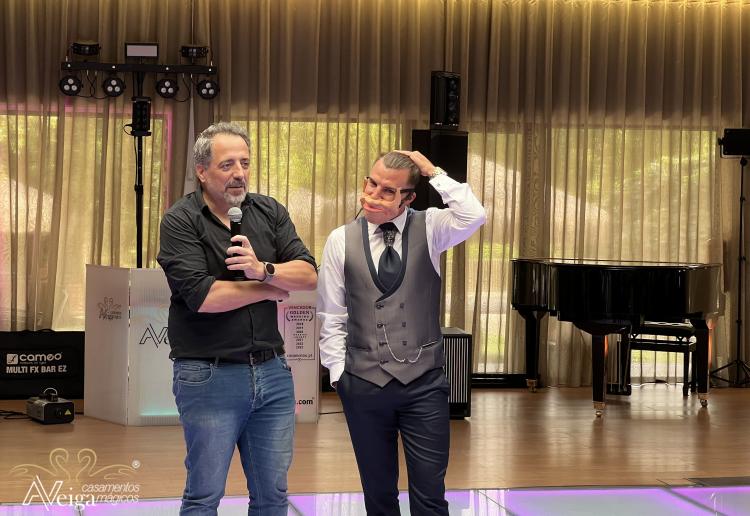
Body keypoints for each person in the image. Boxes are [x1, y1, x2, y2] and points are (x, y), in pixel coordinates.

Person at [157, 122, 317, 515]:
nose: (239, 173)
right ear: (202, 171)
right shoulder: (180, 220)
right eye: (227, 164)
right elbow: (204, 297)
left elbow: (308, 275)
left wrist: (263, 269)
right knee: (204, 495)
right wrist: (270, 286)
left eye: (244, 163)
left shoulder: (269, 210)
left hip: (273, 373)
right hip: (209, 375)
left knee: (273, 496)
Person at [317, 150, 486, 515]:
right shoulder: (340, 240)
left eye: (388, 191)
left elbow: (474, 215)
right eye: (371, 184)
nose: (373, 195)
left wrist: (432, 171)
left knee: (430, 497)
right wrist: (339, 376)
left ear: (408, 198)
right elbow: (331, 315)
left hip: (424, 385)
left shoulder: (432, 227)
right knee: (378, 496)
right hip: (363, 384)